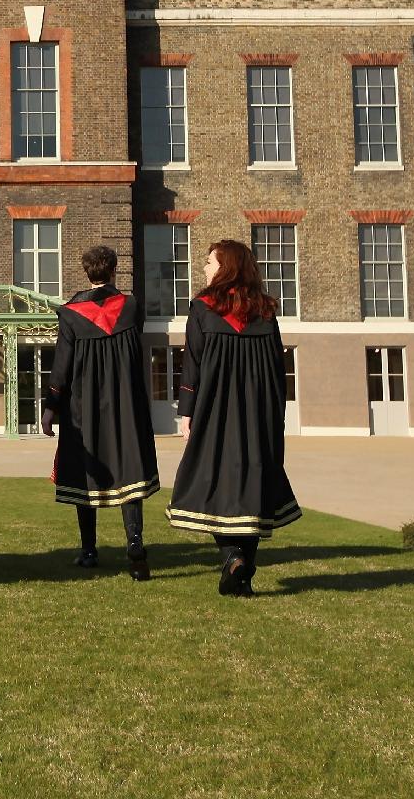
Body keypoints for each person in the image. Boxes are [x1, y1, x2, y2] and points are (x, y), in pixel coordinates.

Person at [166, 238, 302, 597]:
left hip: (215, 410)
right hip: (260, 412)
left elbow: (191, 365)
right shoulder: (266, 310)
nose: (206, 269)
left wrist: (187, 412)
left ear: (226, 266)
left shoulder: (202, 307)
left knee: (211, 480)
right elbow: (277, 368)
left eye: (210, 263)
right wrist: (277, 414)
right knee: (253, 484)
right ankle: (243, 573)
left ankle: (232, 557)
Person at [42, 244, 159, 579]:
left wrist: (51, 408)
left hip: (83, 407)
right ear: (114, 269)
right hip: (126, 404)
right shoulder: (132, 305)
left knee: (84, 472)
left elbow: (61, 367)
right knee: (129, 471)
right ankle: (134, 544)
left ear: (86, 271)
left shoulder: (69, 313)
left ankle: (89, 551)